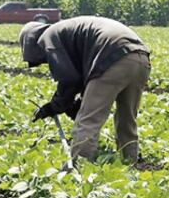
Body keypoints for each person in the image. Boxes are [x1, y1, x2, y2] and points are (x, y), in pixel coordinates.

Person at [20, 16, 151, 164]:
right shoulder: (67, 30)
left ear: (31, 43)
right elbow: (82, 75)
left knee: (87, 122)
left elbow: (69, 79)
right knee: (126, 119)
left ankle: (80, 169)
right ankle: (129, 164)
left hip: (112, 58)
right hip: (140, 58)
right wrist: (75, 103)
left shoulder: (48, 37)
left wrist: (55, 106)